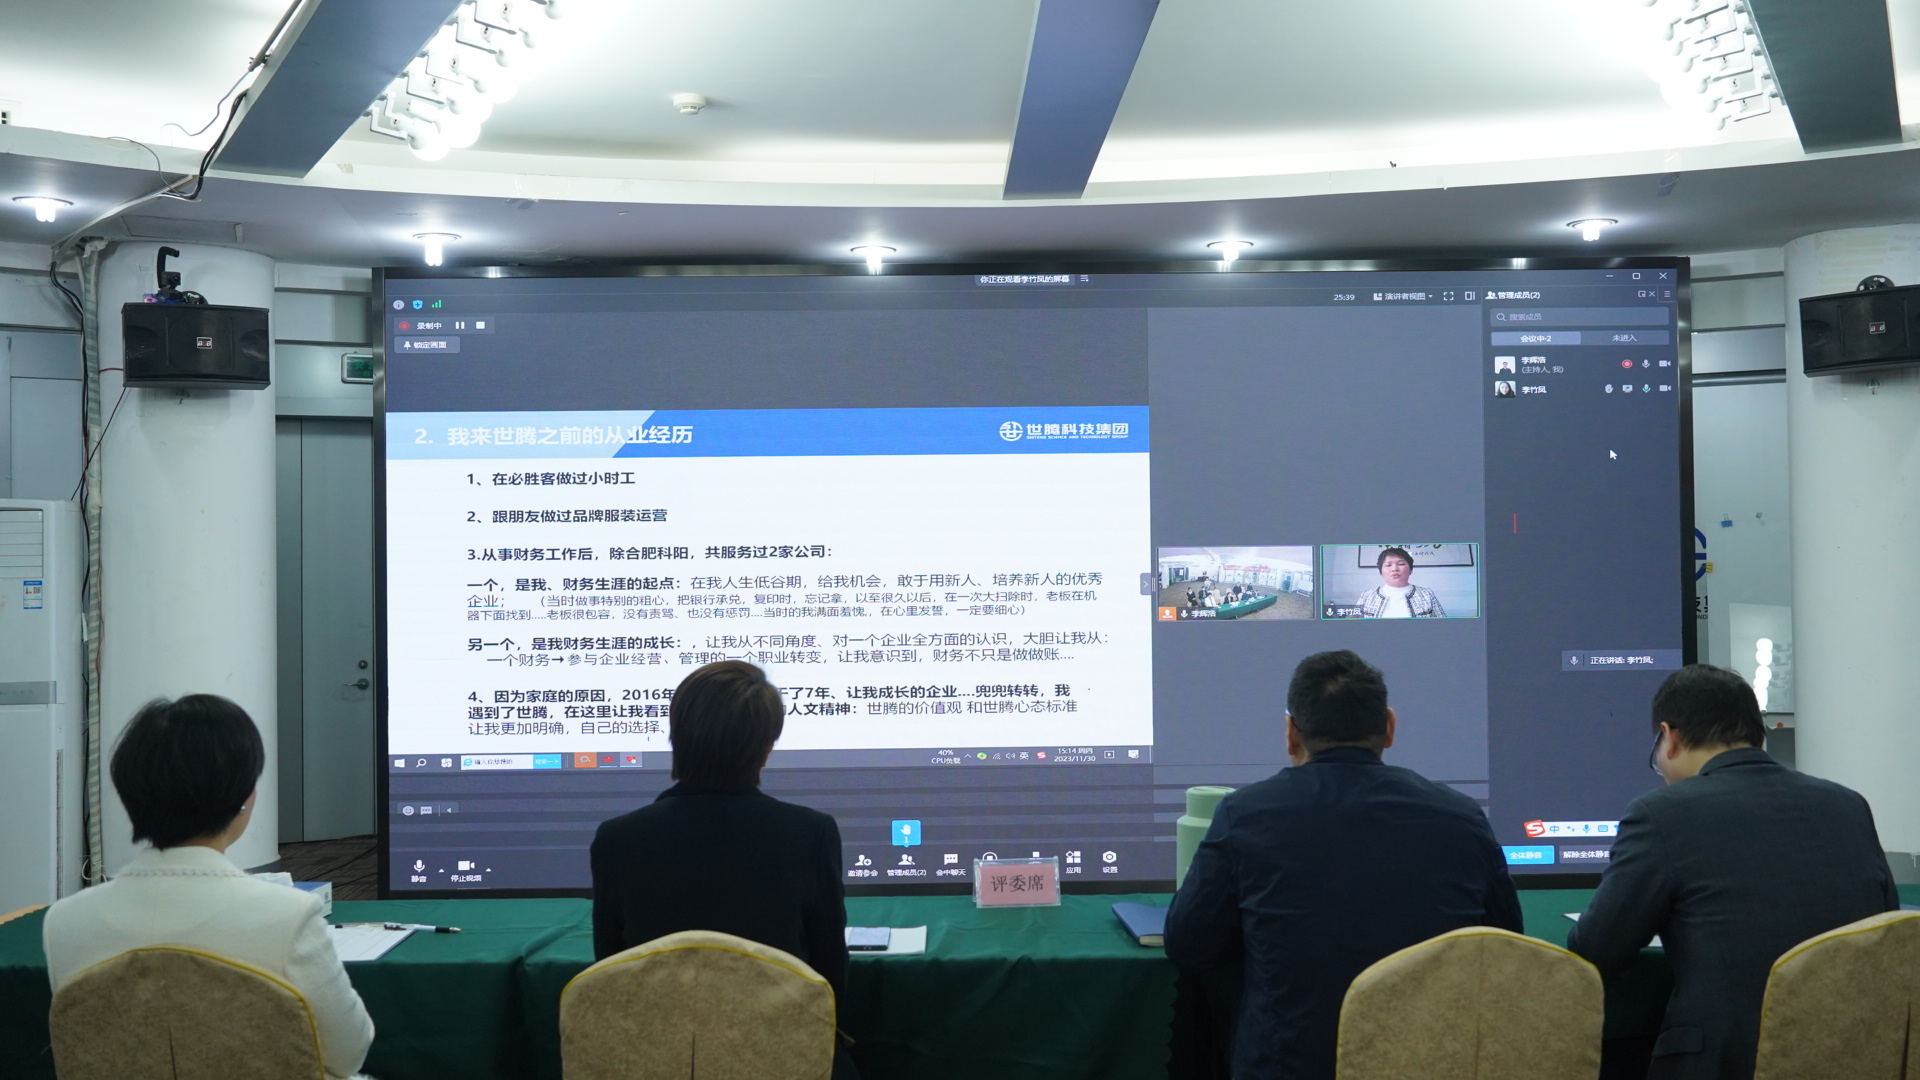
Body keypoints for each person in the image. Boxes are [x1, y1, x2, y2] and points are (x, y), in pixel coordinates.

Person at [1166, 650, 1521, 1079]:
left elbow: (1188, 943)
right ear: (1389, 727)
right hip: (1430, 1064)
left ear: (1291, 734)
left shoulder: (1244, 815)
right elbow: (1505, 942)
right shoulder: (1462, 817)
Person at [1568, 665, 1897, 1080]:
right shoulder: (1849, 806)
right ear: (1758, 734)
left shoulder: (1661, 814)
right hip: (1856, 1057)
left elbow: (1595, 950)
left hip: (1727, 1061)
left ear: (1670, 737)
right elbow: (1885, 934)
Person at [43, 696, 373, 1079]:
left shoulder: (63, 922)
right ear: (244, 797)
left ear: (127, 793)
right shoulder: (288, 916)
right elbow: (348, 1053)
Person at [591, 660, 854, 1077]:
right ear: (766, 747)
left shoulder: (617, 838)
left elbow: (611, 973)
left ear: (676, 736)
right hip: (784, 1059)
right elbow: (829, 979)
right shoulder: (810, 833)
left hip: (656, 1062)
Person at [1355, 546, 1445, 618]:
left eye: (1401, 564)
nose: (1394, 569)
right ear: (1381, 571)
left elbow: (1442, 625)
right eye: (1388, 565)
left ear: (1410, 570)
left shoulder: (1426, 594)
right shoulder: (1367, 596)